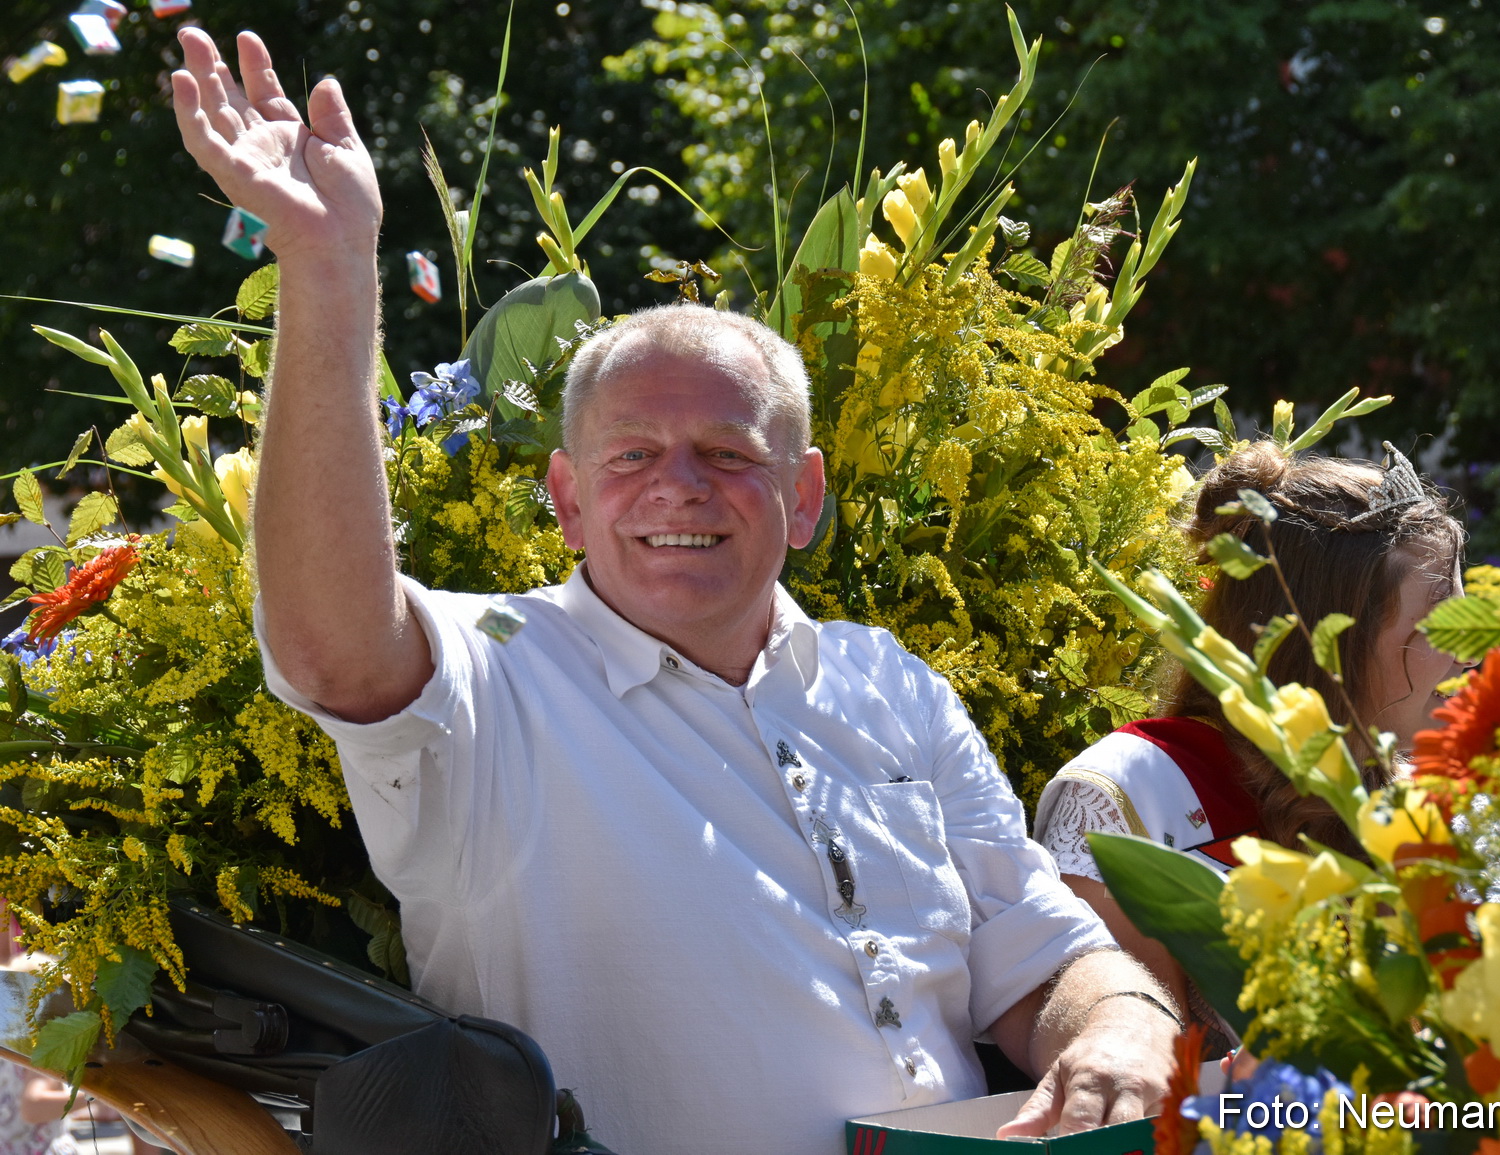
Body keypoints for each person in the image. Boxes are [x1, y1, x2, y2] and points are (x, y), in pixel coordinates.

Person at [169, 28, 1178, 1154]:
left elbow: (1038, 953)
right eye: (633, 455)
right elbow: (331, 644)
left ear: (803, 498)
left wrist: (1122, 1023)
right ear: (567, 501)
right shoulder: (491, 678)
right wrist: (328, 266)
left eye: (728, 454)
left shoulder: (890, 684)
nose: (679, 486)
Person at [1033, 440, 1467, 1051]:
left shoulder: (1423, 794)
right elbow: (1141, 1075)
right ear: (1329, 637)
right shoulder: (1124, 799)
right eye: (1441, 620)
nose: (1469, 651)